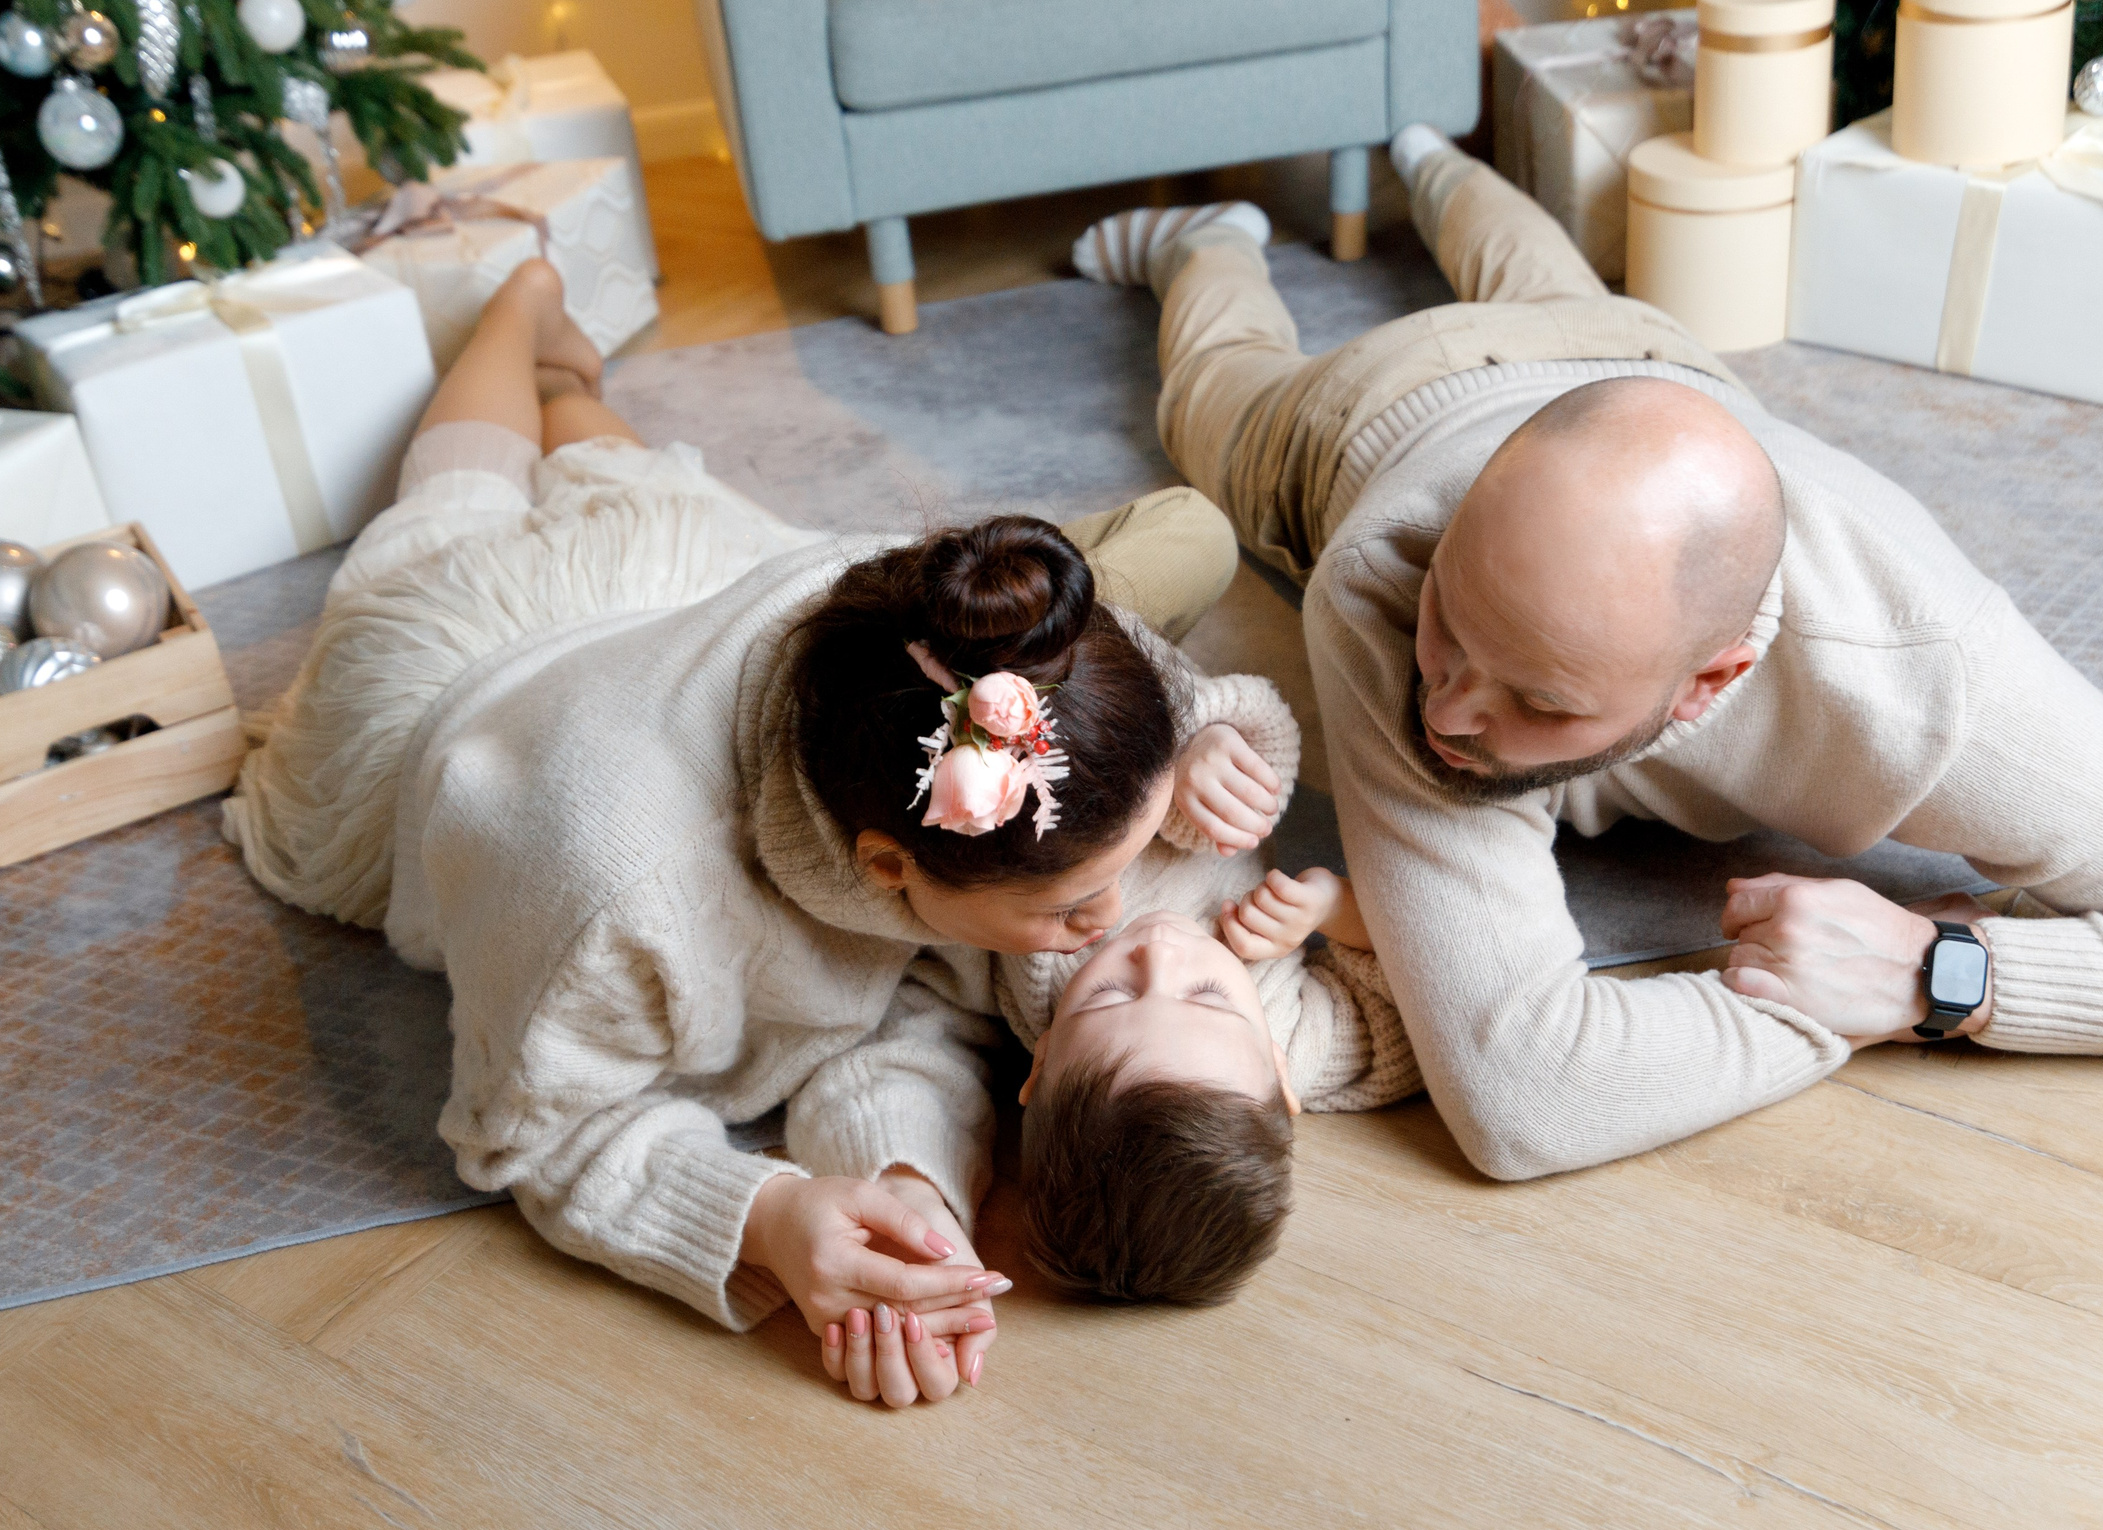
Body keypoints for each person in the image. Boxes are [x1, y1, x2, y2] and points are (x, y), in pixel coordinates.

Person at [223, 262, 1339, 1409]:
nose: (1111, 926)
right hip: (469, 681)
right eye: (1068, 906)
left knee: (649, 491)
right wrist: (761, 1214)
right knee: (449, 518)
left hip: (708, 595)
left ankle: (566, 381)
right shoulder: (615, 902)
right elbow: (535, 1128)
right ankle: (516, 307)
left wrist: (905, 1186)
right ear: (888, 866)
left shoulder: (951, 651)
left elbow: (920, 991)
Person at [1071, 135, 2103, 1183]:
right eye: (1453, 627)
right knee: (1214, 391)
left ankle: (1433, 162)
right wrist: (1832, 1008)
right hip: (1369, 413)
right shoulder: (1389, 573)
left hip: (1644, 355)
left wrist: (1933, 972)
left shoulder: (1924, 674)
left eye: (1539, 699)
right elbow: (1520, 1097)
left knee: (1549, 286)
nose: (1448, 711)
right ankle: (1211, 240)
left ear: (1714, 680)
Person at [1018, 869, 1414, 1307]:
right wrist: (1335, 907)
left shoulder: (1032, 960)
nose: (1159, 952)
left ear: (1042, 1059)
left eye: (1109, 995)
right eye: (1208, 996)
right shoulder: (1300, 1036)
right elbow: (1419, 1004)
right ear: (1280, 1069)